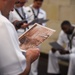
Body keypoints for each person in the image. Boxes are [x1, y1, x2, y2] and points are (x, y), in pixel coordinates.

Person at [0, 0, 40, 75]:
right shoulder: (3, 23)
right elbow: (19, 73)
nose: (12, 9)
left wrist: (13, 26)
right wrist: (30, 56)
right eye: (13, 2)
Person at [25, 0, 46, 75]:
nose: (38, 5)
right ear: (34, 1)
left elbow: (44, 25)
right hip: (28, 36)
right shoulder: (26, 10)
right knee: (26, 56)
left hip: (38, 37)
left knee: (36, 57)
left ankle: (34, 73)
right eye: (37, 3)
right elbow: (25, 23)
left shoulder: (43, 13)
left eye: (40, 4)